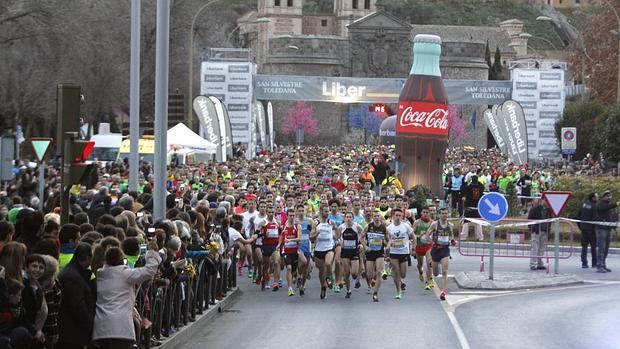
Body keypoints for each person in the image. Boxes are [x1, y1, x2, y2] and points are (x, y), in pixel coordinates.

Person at [92, 240, 161, 349]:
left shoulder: (100, 275)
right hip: (121, 327)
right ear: (121, 259)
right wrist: (152, 251)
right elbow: (149, 270)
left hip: (101, 327)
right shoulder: (126, 274)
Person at [57, 243, 95, 349]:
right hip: (71, 332)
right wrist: (89, 323)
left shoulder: (72, 272)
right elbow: (78, 305)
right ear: (87, 257)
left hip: (71, 330)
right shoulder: (74, 277)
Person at [424, 207, 456, 301]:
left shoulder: (449, 225)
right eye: (442, 213)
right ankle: (434, 267)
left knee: (445, 271)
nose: (444, 215)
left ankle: (443, 291)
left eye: (446, 213)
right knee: (436, 273)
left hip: (445, 250)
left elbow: (451, 236)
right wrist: (432, 242)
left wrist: (453, 241)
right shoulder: (435, 224)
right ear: (440, 214)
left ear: (448, 214)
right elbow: (426, 235)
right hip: (435, 250)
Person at [310, 206, 337, 300]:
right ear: (321, 211)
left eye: (328, 212)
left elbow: (337, 235)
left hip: (329, 247)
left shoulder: (331, 222)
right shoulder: (316, 223)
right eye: (326, 211)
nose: (327, 213)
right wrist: (316, 234)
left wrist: (336, 229)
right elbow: (311, 237)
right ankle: (323, 287)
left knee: (328, 263)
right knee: (321, 271)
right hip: (318, 249)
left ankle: (330, 277)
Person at [386, 209, 413, 300]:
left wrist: (413, 247)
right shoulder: (389, 228)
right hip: (394, 252)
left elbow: (413, 236)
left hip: (404, 251)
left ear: (402, 216)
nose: (398, 217)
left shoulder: (406, 226)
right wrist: (388, 245)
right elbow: (387, 239)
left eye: (399, 216)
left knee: (403, 274)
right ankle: (398, 291)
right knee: (396, 272)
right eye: (396, 215)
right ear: (393, 216)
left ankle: (400, 282)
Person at [360, 211, 388, 302]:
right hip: (370, 252)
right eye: (375, 216)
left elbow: (389, 239)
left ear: (380, 217)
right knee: (369, 275)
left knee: (379, 272)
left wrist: (387, 246)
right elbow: (361, 238)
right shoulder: (368, 226)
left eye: (378, 216)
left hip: (379, 252)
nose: (376, 217)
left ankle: (375, 293)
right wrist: (365, 246)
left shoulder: (383, 228)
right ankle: (372, 281)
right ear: (373, 217)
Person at [338, 212, 361, 299]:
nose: (348, 219)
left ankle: (356, 278)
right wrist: (339, 242)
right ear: (344, 218)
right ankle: (348, 291)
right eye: (347, 217)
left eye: (350, 217)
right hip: (345, 251)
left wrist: (361, 244)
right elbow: (337, 236)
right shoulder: (341, 227)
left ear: (353, 218)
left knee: (354, 273)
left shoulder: (357, 226)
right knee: (347, 273)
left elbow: (363, 234)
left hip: (354, 251)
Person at [595, 190, 618, 273]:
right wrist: (615, 204)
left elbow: (610, 217)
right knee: (601, 248)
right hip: (601, 229)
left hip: (608, 229)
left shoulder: (609, 206)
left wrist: (614, 226)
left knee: (606, 249)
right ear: (603, 197)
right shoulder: (601, 205)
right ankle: (599, 266)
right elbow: (605, 208)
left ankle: (603, 264)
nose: (609, 197)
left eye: (610, 196)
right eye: (607, 196)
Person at [413, 207, 434, 290]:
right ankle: (420, 272)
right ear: (421, 213)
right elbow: (412, 234)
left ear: (429, 213)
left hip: (429, 246)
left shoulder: (433, 223)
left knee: (429, 262)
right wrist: (418, 236)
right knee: (420, 264)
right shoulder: (417, 222)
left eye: (427, 212)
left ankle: (428, 281)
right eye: (424, 212)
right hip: (419, 246)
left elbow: (436, 234)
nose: (425, 214)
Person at [528, 199, 551, 271]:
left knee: (542, 248)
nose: (546, 202)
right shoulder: (535, 209)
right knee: (535, 248)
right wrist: (533, 229)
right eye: (545, 200)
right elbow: (529, 220)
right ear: (541, 201)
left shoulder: (548, 210)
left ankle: (539, 263)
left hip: (545, 231)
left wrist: (548, 229)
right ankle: (533, 264)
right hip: (536, 231)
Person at [281, 213, 301, 297]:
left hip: (295, 251)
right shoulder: (283, 226)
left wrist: (290, 240)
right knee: (288, 268)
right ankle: (290, 288)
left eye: (293, 215)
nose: (292, 217)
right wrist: (279, 246)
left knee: (293, 270)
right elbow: (281, 238)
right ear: (287, 216)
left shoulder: (297, 226)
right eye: (290, 215)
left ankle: (295, 274)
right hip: (286, 251)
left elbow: (299, 238)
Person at [460, 175, 485, 241]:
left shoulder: (469, 187)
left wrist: (467, 182)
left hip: (469, 207)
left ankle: (463, 237)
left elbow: (462, 189)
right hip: (477, 207)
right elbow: (483, 186)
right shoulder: (480, 187)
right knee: (478, 223)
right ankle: (480, 237)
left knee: (466, 222)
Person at [577, 193, 597, 268]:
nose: (597, 198)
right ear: (593, 198)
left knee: (584, 247)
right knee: (593, 246)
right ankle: (594, 263)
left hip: (584, 229)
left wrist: (580, 226)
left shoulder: (583, 205)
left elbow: (578, 216)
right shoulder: (594, 206)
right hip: (591, 229)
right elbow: (595, 218)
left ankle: (584, 263)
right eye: (596, 197)